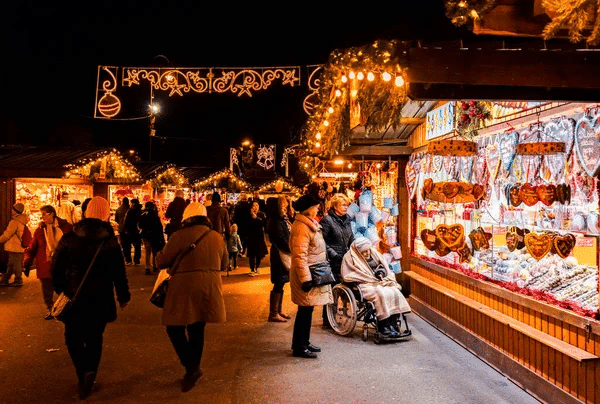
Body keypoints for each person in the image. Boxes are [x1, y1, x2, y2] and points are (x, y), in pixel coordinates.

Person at [51, 196, 130, 399]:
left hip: (73, 295)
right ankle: (90, 372)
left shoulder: (70, 238)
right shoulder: (110, 241)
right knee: (95, 337)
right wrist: (123, 295)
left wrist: (61, 288)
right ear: (105, 214)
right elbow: (118, 272)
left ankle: (82, 373)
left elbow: (56, 267)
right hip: (101, 297)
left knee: (72, 338)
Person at [155, 202, 227, 393]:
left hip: (183, 288)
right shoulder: (216, 237)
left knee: (174, 327)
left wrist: (158, 253)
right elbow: (225, 263)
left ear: (186, 217)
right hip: (209, 287)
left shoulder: (179, 235)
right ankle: (192, 368)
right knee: (197, 328)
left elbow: (162, 261)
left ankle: (191, 368)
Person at [289, 195, 333, 358]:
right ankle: (299, 346)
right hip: (306, 275)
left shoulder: (309, 224)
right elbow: (299, 255)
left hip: (311, 273)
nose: (317, 209)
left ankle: (303, 342)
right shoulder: (302, 228)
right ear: (308, 209)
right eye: (315, 207)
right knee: (304, 311)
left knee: (307, 310)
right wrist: (305, 279)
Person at [340, 237, 411, 339]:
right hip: (363, 285)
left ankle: (393, 324)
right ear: (358, 252)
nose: (367, 253)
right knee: (381, 294)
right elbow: (348, 275)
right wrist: (369, 278)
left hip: (378, 281)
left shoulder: (373, 253)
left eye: (368, 250)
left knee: (394, 291)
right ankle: (384, 326)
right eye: (364, 252)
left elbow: (383, 266)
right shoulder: (349, 258)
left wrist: (382, 272)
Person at [23, 205, 73, 319]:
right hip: (45, 263)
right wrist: (27, 261)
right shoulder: (40, 230)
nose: (42, 217)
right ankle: (50, 308)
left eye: (44, 214)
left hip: (62, 264)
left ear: (52, 214)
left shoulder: (66, 227)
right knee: (46, 288)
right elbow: (32, 247)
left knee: (64, 287)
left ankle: (63, 308)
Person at [319, 193, 354, 328]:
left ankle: (343, 314)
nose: (346, 208)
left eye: (347, 205)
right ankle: (327, 318)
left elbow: (350, 238)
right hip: (333, 261)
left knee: (345, 288)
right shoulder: (327, 220)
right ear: (335, 206)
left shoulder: (347, 220)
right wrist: (334, 254)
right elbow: (322, 242)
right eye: (343, 205)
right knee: (332, 290)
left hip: (345, 260)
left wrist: (355, 250)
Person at [265, 196, 293, 322]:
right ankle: (273, 313)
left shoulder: (281, 219)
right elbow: (281, 240)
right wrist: (292, 248)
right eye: (283, 205)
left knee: (281, 283)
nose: (285, 207)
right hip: (279, 255)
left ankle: (278, 310)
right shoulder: (276, 221)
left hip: (281, 253)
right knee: (278, 283)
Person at [0, 202, 29, 287]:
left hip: (14, 246)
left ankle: (18, 280)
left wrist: (0, 240)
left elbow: (7, 234)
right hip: (19, 246)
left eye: (13, 209)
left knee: (15, 265)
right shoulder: (23, 220)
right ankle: (5, 279)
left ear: (15, 211)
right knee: (11, 264)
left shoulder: (14, 222)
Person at [138, 201, 166, 275]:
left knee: (147, 251)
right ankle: (155, 266)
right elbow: (159, 226)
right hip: (154, 235)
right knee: (154, 252)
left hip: (146, 235)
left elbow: (140, 225)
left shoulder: (143, 214)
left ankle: (147, 267)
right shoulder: (155, 215)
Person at [246, 201, 268, 276]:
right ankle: (252, 268)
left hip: (259, 235)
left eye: (257, 205)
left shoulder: (261, 214)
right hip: (251, 236)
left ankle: (257, 267)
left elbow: (263, 223)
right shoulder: (248, 215)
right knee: (252, 253)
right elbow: (247, 225)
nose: (256, 207)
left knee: (259, 253)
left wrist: (256, 218)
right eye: (254, 205)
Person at [121, 199, 142, 266]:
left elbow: (126, 221)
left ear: (132, 203)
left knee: (127, 246)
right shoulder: (140, 211)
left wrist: (125, 229)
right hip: (137, 230)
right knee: (137, 246)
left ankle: (128, 260)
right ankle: (137, 260)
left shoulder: (130, 211)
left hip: (130, 230)